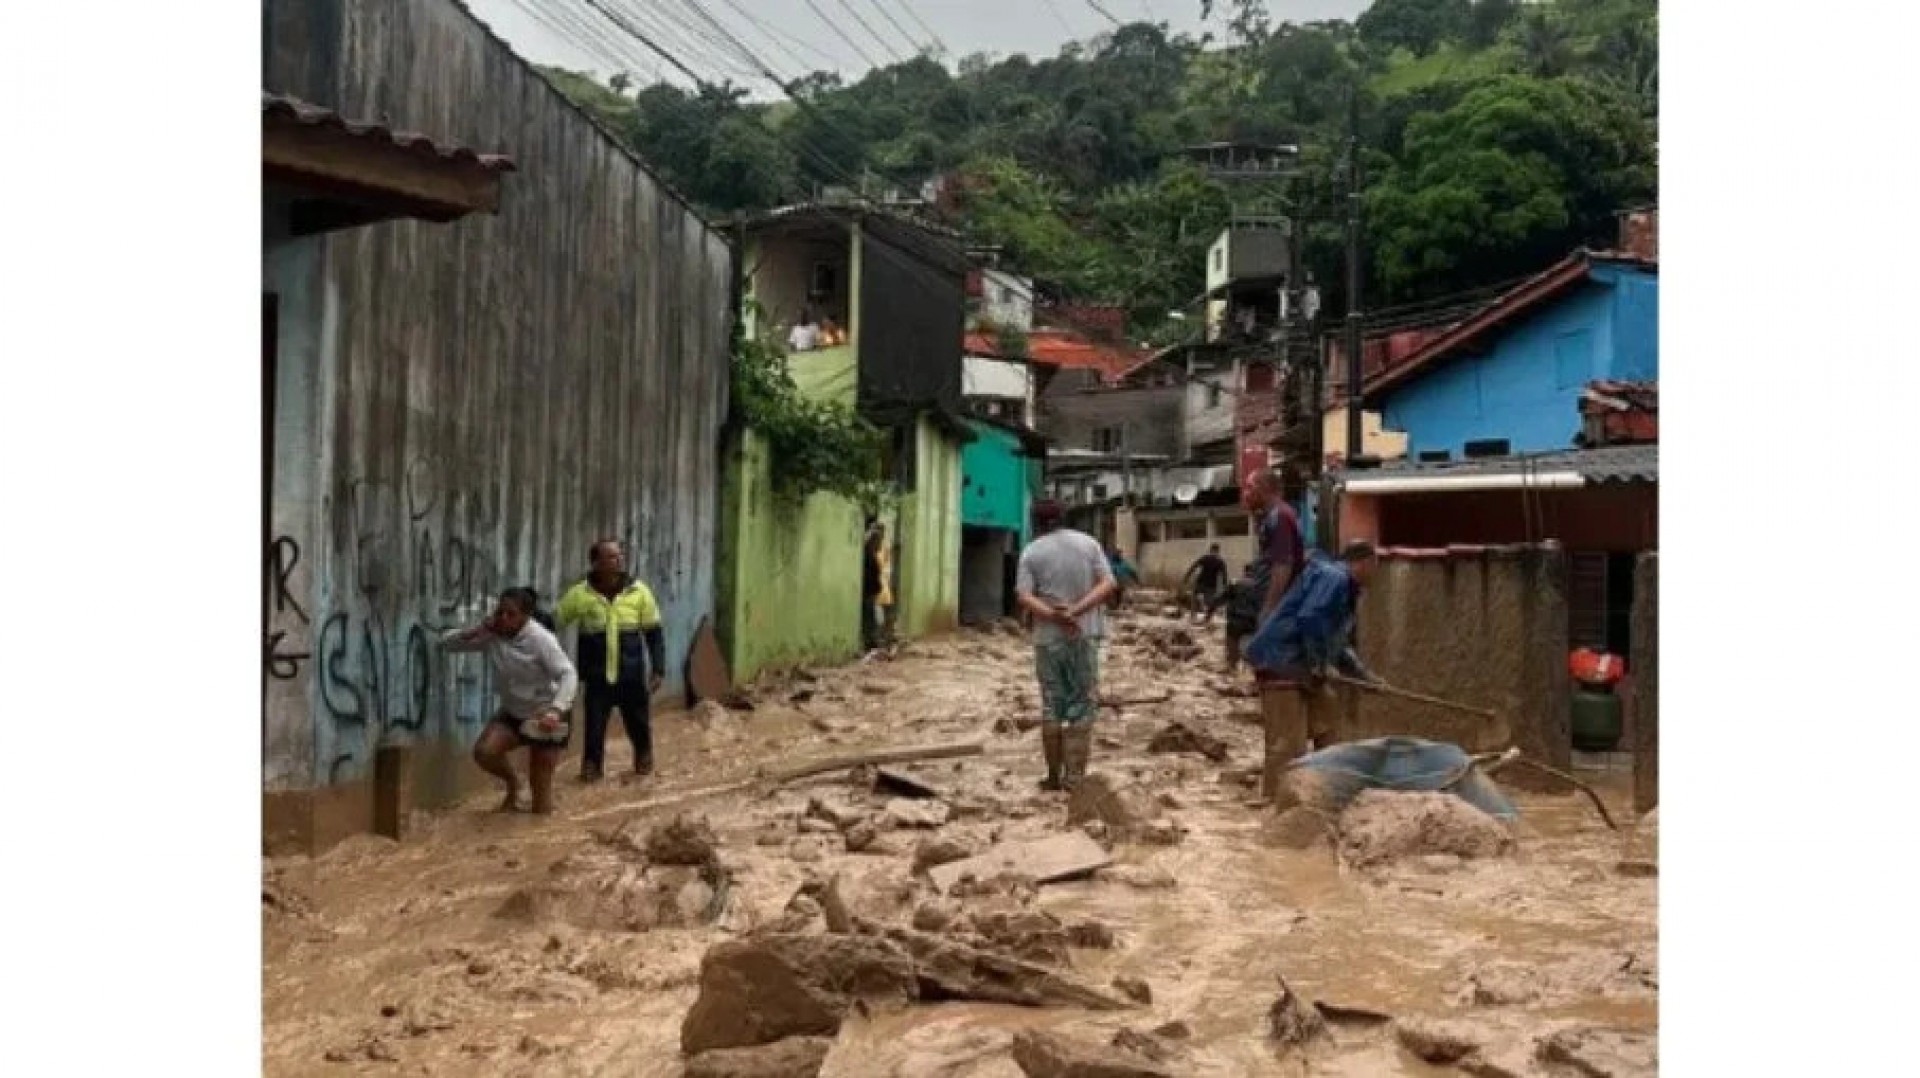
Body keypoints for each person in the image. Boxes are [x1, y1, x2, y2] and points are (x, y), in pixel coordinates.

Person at [1243, 540, 1384, 799]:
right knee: (1287, 742)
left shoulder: (1344, 586)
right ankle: (1276, 800)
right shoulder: (1335, 578)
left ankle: (1324, 790)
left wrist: (1364, 676)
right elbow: (1310, 618)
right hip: (1281, 660)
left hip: (1301, 663)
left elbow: (1337, 642)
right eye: (1376, 565)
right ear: (1365, 563)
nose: (1377, 573)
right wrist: (1320, 663)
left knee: (1328, 724)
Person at [440, 587, 579, 814]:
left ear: (526, 616)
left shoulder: (541, 639)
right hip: (513, 712)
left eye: (511, 614)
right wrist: (474, 631)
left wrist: (556, 710)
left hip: (545, 714)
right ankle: (514, 783)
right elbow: (447, 644)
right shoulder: (491, 635)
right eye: (500, 612)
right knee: (484, 752)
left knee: (541, 802)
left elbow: (568, 674)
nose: (503, 618)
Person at [1016, 501, 1118, 791]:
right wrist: (1077, 611)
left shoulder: (1031, 551)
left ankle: (1052, 776)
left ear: (1036, 522)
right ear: (1064, 518)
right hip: (1084, 634)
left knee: (1052, 703)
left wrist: (1054, 615)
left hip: (1048, 638)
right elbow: (1108, 584)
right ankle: (1074, 778)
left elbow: (1024, 596)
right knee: (1082, 703)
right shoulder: (1089, 544)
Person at [556, 539, 667, 782]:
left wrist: (658, 669)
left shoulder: (639, 591)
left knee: (638, 723)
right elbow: (556, 621)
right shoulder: (580, 595)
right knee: (594, 727)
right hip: (597, 677)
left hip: (631, 674)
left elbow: (654, 633)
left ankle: (644, 758)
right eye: (612, 557)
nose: (619, 560)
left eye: (619, 556)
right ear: (596, 563)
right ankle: (591, 769)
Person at [1244, 468, 1307, 625]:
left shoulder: (1280, 516)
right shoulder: (1271, 516)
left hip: (1280, 602)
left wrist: (1269, 609)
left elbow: (1282, 566)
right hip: (1271, 596)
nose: (1246, 493)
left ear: (1263, 488)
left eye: (1250, 487)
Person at [1182, 542, 1230, 619]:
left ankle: (1193, 615)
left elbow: (1193, 567)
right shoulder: (1220, 562)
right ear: (1218, 551)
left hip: (1201, 583)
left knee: (1194, 597)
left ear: (1211, 550)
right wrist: (1225, 586)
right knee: (1210, 602)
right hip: (1210, 586)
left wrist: (1186, 577)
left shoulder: (1205, 558)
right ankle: (1207, 616)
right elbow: (1224, 575)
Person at [861, 522, 887, 651]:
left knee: (873, 617)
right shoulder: (868, 554)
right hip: (868, 591)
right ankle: (870, 642)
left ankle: (872, 641)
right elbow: (871, 573)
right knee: (870, 617)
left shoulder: (870, 553)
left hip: (871, 591)